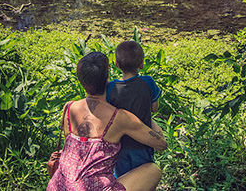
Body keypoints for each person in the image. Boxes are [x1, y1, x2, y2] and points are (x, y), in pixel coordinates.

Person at [47, 51, 167, 191]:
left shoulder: (69, 108)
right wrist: (145, 116)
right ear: (107, 78)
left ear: (81, 80)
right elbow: (161, 144)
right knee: (153, 170)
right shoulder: (119, 117)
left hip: (60, 186)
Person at [106, 40, 162, 178]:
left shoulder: (111, 88)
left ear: (117, 65)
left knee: (122, 180)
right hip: (143, 143)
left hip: (120, 146)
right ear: (142, 64)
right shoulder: (148, 82)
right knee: (145, 178)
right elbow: (154, 108)